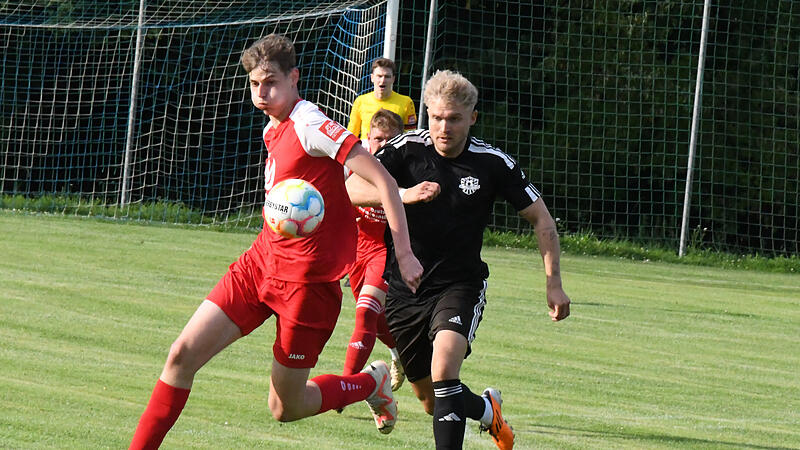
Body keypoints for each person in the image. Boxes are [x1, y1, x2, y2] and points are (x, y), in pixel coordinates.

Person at [128, 34, 423, 449]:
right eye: (253, 83)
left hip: (307, 287)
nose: (261, 92)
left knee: (285, 408)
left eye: (270, 82)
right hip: (261, 264)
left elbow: (385, 182)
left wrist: (405, 254)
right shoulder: (274, 127)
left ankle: (369, 384)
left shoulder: (310, 124)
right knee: (180, 356)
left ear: (293, 78)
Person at [346, 70, 571, 450]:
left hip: (459, 284)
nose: (443, 127)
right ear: (427, 113)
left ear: (472, 118)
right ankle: (487, 409)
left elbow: (542, 219)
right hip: (405, 288)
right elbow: (351, 187)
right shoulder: (405, 148)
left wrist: (553, 283)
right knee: (431, 400)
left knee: (444, 370)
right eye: (436, 117)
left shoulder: (492, 162)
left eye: (453, 118)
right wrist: (402, 194)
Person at [341, 109, 433, 391]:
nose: (382, 145)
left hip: (386, 250)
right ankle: (401, 354)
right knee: (378, 320)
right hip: (358, 251)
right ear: (367, 139)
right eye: (377, 139)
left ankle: (346, 385)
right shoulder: (353, 169)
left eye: (390, 140)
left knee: (366, 314)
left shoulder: (408, 171)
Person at [347, 57, 417, 140]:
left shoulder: (406, 102)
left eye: (387, 76)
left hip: (394, 150)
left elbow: (410, 135)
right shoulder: (360, 101)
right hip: (367, 152)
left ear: (393, 79)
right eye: (379, 76)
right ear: (372, 78)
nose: (383, 80)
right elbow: (351, 135)